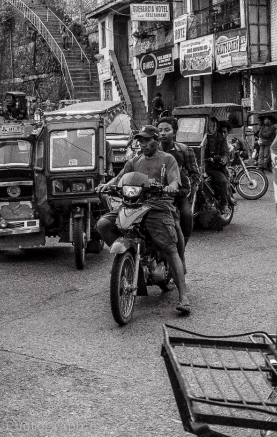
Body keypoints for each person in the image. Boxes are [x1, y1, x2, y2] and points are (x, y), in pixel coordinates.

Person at [96, 125, 191, 314]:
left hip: (158, 206)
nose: (144, 144)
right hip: (132, 204)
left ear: (156, 140)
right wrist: (107, 185)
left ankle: (183, 297)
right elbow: (120, 177)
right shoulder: (134, 161)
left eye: (148, 140)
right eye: (141, 141)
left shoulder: (168, 159)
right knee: (103, 224)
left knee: (169, 249)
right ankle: (127, 260)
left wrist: (171, 186)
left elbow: (174, 180)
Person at [157, 116, 198, 249]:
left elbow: (195, 174)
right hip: (156, 193)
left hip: (179, 193)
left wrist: (187, 188)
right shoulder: (152, 150)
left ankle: (182, 246)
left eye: (167, 130)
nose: (163, 133)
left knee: (186, 215)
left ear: (174, 132)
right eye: (160, 130)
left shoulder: (185, 150)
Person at [202, 119, 235, 208]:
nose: (211, 128)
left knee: (223, 181)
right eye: (210, 126)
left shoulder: (221, 139)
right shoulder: (202, 138)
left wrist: (222, 160)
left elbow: (225, 154)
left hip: (214, 168)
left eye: (213, 126)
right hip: (200, 167)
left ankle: (225, 203)